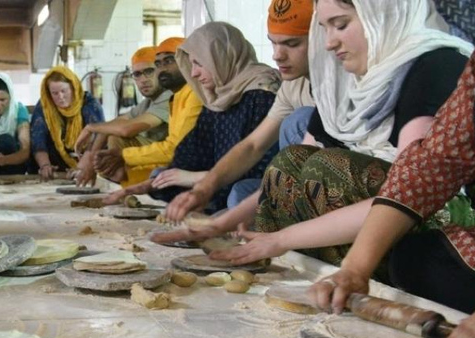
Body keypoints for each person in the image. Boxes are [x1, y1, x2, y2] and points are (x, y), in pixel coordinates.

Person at [161, 0, 473, 270]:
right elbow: (286, 171)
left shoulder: (436, 65)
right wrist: (220, 223)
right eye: (323, 28)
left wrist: (281, 240)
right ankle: (304, 273)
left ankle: (358, 270)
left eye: (341, 25)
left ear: (384, 13)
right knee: (291, 160)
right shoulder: (345, 84)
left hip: (428, 220)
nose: (328, 43)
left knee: (324, 168)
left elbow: (413, 190)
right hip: (373, 216)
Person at [310, 51, 475, 338]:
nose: (331, 43)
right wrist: (355, 268)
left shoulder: (435, 63)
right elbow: (435, 163)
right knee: (415, 258)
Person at [159, 0, 315, 224]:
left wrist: (213, 203)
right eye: (273, 44)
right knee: (167, 179)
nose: (277, 56)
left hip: (321, 188)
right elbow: (253, 145)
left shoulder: (263, 91)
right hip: (290, 184)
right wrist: (203, 189)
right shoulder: (292, 85)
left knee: (300, 121)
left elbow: (271, 168)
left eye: (292, 43)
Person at [106, 22, 280, 213]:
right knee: (162, 175)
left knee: (240, 193)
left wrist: (193, 178)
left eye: (199, 63)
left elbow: (261, 168)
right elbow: (193, 151)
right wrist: (151, 183)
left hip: (250, 190)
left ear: (221, 57)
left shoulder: (263, 93)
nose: (194, 73)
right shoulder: (216, 97)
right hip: (216, 182)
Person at [93, 37, 203, 186]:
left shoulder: (192, 93)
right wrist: (91, 155)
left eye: (169, 61)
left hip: (192, 167)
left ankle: (125, 177)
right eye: (158, 64)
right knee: (115, 140)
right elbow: (117, 125)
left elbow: (174, 149)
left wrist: (121, 155)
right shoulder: (176, 96)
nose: (162, 69)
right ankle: (124, 177)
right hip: (174, 161)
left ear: (189, 62)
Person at [73, 46, 172, 187]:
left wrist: (90, 128)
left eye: (149, 71)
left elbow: (127, 129)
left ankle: (127, 179)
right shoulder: (148, 102)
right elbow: (113, 125)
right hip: (151, 161)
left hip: (171, 161)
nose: (143, 79)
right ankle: (124, 179)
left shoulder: (169, 96)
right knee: (112, 134)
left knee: (117, 135)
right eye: (137, 74)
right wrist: (90, 156)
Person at [30, 66, 104, 180]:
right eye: (54, 93)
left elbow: (98, 137)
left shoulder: (89, 103)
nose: (60, 97)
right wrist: (45, 165)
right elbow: (38, 140)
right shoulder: (45, 106)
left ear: (73, 88)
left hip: (86, 160)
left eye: (64, 91)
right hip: (55, 165)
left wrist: (81, 167)